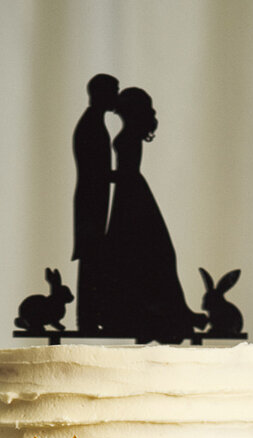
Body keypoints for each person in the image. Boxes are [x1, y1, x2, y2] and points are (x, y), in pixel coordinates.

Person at [99, 87, 203, 343]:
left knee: (149, 256)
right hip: (132, 195)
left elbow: (127, 171)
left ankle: (164, 314)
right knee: (145, 256)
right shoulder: (130, 134)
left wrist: (100, 176)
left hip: (132, 198)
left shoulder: (130, 136)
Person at [72, 74, 119, 334]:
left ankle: (90, 316)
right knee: (91, 258)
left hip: (94, 202)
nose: (116, 97)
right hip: (90, 204)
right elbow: (93, 171)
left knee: (94, 258)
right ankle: (86, 318)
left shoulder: (95, 122)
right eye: (114, 91)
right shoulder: (91, 125)